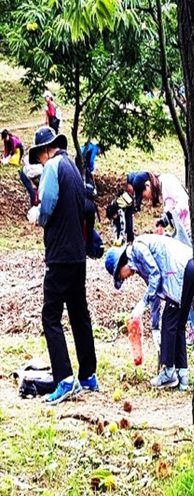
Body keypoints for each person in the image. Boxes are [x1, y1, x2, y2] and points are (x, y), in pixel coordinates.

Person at [27, 126, 97, 404]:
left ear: (45, 150)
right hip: (77, 255)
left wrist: (37, 217)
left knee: (50, 316)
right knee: (79, 313)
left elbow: (47, 207)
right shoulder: (73, 167)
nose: (40, 160)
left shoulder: (53, 167)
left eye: (39, 155)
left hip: (58, 256)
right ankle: (88, 375)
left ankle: (65, 379)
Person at [105, 234, 194, 390]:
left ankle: (168, 373)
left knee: (169, 323)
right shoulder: (138, 264)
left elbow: (156, 277)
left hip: (180, 269)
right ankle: (183, 377)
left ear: (121, 264)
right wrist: (154, 326)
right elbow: (156, 293)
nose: (125, 278)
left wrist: (141, 304)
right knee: (178, 325)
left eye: (121, 275)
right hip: (187, 269)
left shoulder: (138, 249)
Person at [131, 171, 192, 244]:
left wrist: (167, 217)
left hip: (190, 231)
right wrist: (162, 223)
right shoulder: (161, 191)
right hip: (183, 234)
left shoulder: (167, 181)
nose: (146, 199)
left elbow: (184, 202)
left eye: (144, 196)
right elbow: (172, 210)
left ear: (147, 185)